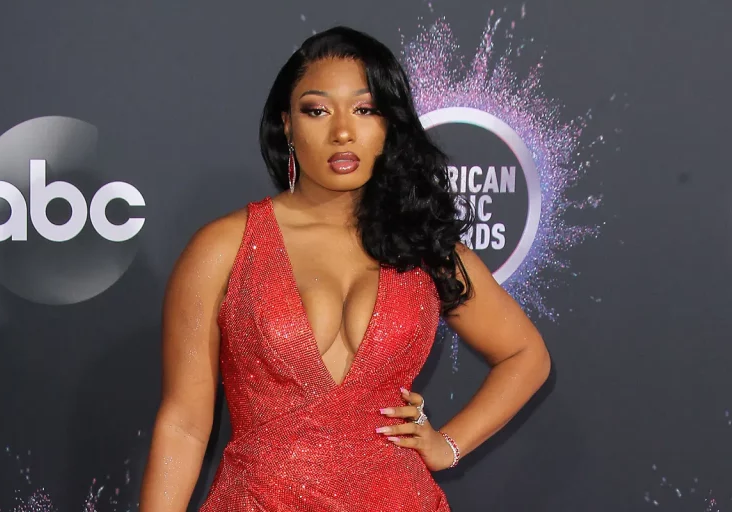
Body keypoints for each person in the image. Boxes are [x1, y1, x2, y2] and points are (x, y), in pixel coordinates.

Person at [139, 25, 550, 512]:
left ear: (390, 124)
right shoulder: (223, 248)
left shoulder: (425, 247)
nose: (342, 132)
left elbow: (525, 355)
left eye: (365, 109)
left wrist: (448, 445)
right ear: (286, 125)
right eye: (317, 110)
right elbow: (184, 425)